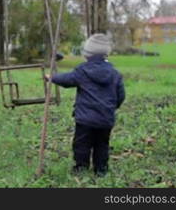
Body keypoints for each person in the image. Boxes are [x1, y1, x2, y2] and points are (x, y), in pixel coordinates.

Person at [46, 34, 125, 177]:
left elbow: (67, 79)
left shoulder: (82, 71)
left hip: (85, 119)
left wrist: (52, 78)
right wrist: (112, 107)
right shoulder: (115, 74)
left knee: (81, 144)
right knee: (102, 144)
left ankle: (81, 167)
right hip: (105, 119)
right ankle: (101, 169)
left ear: (87, 54)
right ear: (106, 54)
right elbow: (121, 95)